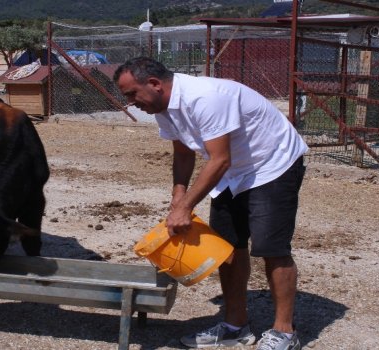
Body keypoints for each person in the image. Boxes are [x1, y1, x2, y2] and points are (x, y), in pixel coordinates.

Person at [113, 57, 307, 350]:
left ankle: (284, 332)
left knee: (272, 248)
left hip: (272, 165)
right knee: (227, 247)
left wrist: (185, 208)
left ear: (154, 84)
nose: (130, 103)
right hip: (232, 174)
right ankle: (235, 326)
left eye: (131, 94)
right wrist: (178, 194)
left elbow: (219, 158)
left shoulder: (206, 97)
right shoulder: (163, 106)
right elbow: (183, 153)